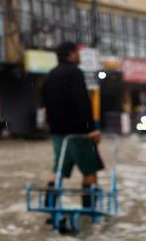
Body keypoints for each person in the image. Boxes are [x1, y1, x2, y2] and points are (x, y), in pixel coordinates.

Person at [41, 41, 103, 201]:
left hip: (57, 133)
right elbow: (82, 102)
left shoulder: (49, 76)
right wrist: (92, 128)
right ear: (70, 53)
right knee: (89, 170)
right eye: (77, 52)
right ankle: (89, 210)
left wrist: (52, 127)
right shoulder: (75, 73)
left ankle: (50, 206)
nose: (79, 55)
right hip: (79, 133)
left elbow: (45, 105)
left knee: (58, 169)